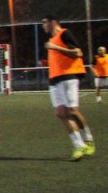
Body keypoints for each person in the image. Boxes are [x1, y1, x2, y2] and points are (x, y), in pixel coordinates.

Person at [41, 16, 95, 161]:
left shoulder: (65, 33)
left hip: (68, 77)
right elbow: (58, 59)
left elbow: (78, 53)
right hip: (54, 80)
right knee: (61, 113)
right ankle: (78, 146)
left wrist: (55, 48)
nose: (43, 26)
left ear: (53, 22)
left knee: (72, 111)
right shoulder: (51, 40)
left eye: (44, 22)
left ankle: (88, 139)